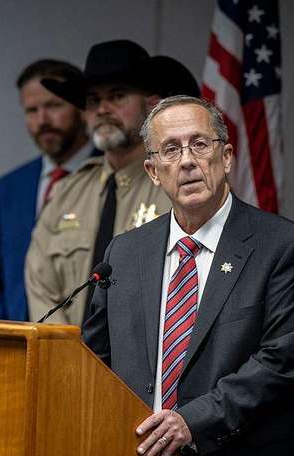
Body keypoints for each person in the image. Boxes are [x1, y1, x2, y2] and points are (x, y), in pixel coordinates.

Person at [82, 96, 294, 456]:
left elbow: (281, 362)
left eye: (200, 144)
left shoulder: (284, 247)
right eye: (171, 149)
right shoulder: (125, 253)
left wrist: (190, 421)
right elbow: (93, 361)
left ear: (227, 156)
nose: (188, 161)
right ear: (153, 172)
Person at [25, 40, 200, 325]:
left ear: (152, 105)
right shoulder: (67, 193)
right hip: (69, 362)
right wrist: (68, 362)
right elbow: (41, 285)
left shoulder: (180, 188)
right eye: (93, 101)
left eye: (117, 96)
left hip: (151, 364)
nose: (103, 109)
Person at [0, 59, 94, 321]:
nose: (43, 120)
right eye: (31, 110)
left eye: (54, 106)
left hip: (86, 344)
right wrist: (2, 341)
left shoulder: (112, 174)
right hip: (16, 344)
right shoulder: (8, 188)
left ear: (82, 108)